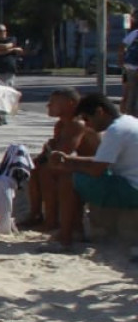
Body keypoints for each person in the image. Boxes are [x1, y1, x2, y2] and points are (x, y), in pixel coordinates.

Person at [53, 92, 138, 246]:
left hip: (132, 189)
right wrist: (70, 160)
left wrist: (69, 164)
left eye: (87, 119)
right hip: (131, 182)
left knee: (69, 179)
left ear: (100, 112)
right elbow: (101, 160)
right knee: (75, 174)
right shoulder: (129, 121)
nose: (87, 125)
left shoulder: (115, 131)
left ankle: (65, 237)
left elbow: (96, 170)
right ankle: (76, 230)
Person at [25, 87, 98, 239]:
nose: (48, 105)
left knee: (47, 171)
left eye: (53, 102)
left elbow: (63, 152)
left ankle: (51, 220)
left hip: (92, 167)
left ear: (70, 103)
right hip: (76, 164)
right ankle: (35, 214)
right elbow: (54, 151)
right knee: (34, 168)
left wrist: (50, 148)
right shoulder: (61, 125)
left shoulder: (78, 124)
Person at [0, 24, 24, 126]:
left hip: (8, 71)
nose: (3, 33)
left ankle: (2, 116)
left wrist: (8, 48)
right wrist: (12, 49)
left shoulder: (12, 39)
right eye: (0, 31)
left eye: (4, 31)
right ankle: (2, 116)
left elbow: (7, 46)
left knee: (6, 93)